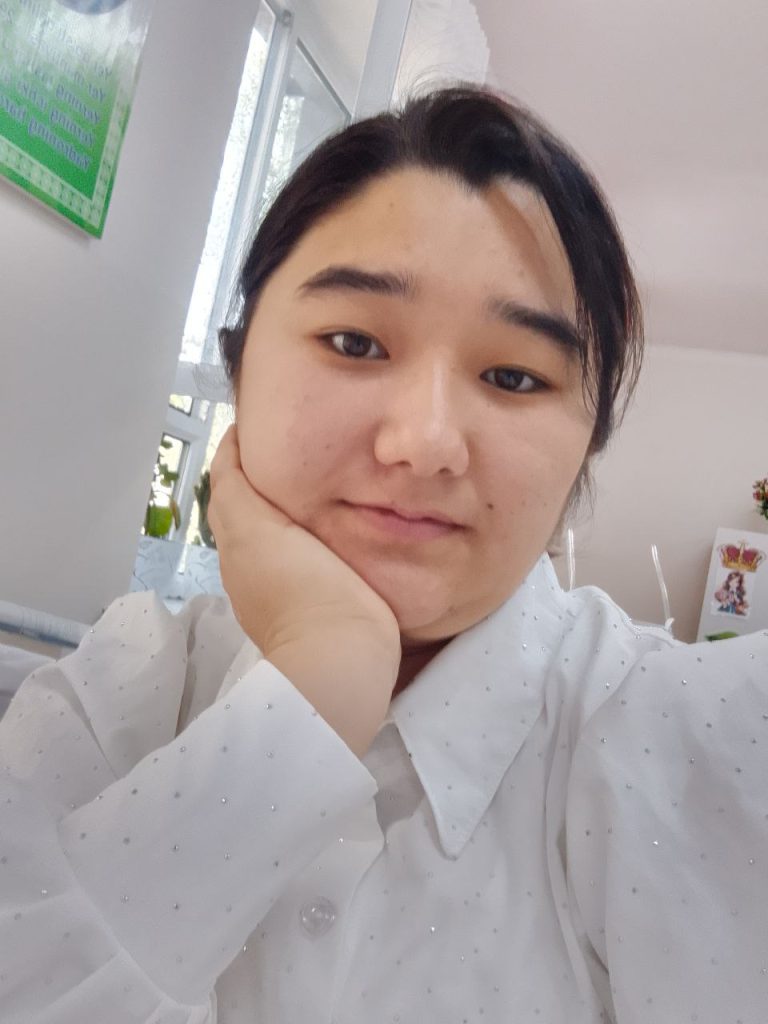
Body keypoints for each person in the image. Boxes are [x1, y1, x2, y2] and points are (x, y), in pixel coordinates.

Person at [1, 86, 766, 1024]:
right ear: (239, 368)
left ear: (587, 445)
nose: (425, 443)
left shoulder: (687, 741)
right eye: (355, 342)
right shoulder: (115, 696)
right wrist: (316, 685)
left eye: (514, 376)